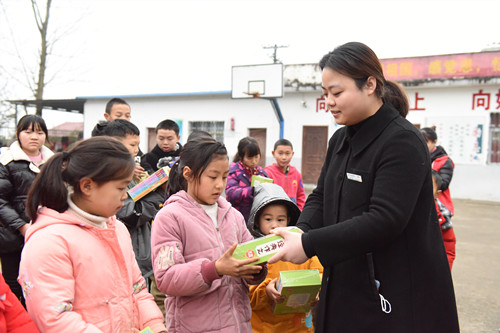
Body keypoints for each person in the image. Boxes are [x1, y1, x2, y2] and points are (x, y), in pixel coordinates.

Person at [268, 42, 459, 332]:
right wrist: (299, 230)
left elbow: (385, 219)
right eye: (325, 94)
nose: (329, 101)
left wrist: (309, 245)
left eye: (337, 92)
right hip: (346, 279)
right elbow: (321, 196)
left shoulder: (402, 141)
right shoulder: (341, 140)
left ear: (369, 84)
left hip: (392, 291)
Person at [18, 137, 166, 333]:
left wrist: (155, 326)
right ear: (87, 186)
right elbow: (56, 318)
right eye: (121, 188)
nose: (126, 196)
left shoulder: (117, 229)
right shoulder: (49, 242)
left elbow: (137, 289)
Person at [151, 137, 267, 333]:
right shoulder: (170, 217)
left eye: (224, 177)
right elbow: (167, 278)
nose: (220, 185)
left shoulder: (233, 215)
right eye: (213, 177)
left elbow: (250, 257)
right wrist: (215, 269)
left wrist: (257, 269)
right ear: (188, 174)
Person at [247, 183, 322, 333]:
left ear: (289, 220)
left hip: (298, 326)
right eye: (268, 219)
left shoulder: (301, 245)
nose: (275, 225)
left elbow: (319, 272)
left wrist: (316, 289)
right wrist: (266, 290)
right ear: (257, 221)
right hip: (264, 327)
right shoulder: (254, 251)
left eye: (280, 220)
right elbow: (246, 292)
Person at [0, 115, 54, 307]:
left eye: (40, 132)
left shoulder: (53, 163)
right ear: (18, 134)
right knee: (13, 287)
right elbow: (1, 202)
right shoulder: (6, 161)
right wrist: (22, 227)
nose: (34, 137)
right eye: (28, 131)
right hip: (11, 237)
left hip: (44, 235)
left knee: (40, 287)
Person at [103, 119, 165, 281]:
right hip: (125, 252)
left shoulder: (134, 170)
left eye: (138, 145)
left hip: (139, 250)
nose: (137, 151)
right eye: (132, 145)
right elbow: (130, 212)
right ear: (114, 144)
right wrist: (157, 191)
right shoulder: (107, 174)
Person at [225, 136, 269, 222]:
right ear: (241, 157)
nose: (254, 161)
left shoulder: (261, 172)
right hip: (237, 219)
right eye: (250, 158)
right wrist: (251, 191)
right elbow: (230, 193)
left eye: (256, 157)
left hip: (256, 219)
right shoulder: (234, 171)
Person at [421, 127, 455, 214]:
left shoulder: (444, 161)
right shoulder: (419, 157)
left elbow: (443, 184)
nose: (423, 145)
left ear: (434, 142)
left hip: (439, 204)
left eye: (426, 142)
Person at [265, 139, 306, 210]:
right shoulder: (267, 172)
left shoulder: (296, 174)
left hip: (293, 213)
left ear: (292, 154)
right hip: (274, 212)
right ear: (273, 153)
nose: (284, 157)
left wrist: (299, 211)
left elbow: (301, 196)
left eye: (287, 153)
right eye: (280, 153)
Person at [432, 170, 457, 270]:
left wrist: (444, 271)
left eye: (428, 188)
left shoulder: (442, 218)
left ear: (437, 194)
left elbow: (448, 247)